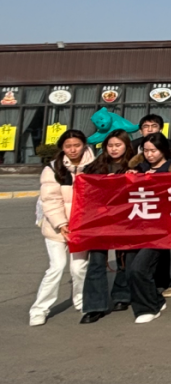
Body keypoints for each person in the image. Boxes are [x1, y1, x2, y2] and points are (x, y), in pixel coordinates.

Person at [28, 130, 95, 326]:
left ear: (84, 145)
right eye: (68, 146)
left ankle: (81, 300)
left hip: (82, 227)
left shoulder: (95, 166)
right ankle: (39, 309)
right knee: (56, 267)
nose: (73, 150)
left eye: (77, 145)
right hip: (57, 228)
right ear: (62, 148)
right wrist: (61, 223)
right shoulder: (53, 168)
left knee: (79, 268)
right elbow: (50, 199)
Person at [125, 133, 171, 324]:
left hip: (162, 229)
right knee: (131, 269)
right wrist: (125, 178)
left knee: (140, 268)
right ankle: (155, 299)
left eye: (153, 150)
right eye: (146, 150)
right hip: (138, 227)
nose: (149, 154)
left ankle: (148, 308)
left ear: (163, 150)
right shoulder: (138, 168)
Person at [80, 130, 137, 323]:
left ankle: (122, 295)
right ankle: (94, 306)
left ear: (126, 146)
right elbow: (85, 189)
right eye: (110, 145)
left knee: (124, 259)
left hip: (126, 219)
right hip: (100, 219)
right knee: (96, 261)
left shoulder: (135, 164)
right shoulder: (95, 166)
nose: (114, 149)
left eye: (118, 145)